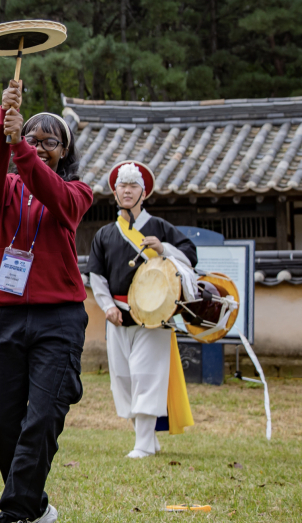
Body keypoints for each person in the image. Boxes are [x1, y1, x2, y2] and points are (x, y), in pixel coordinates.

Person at [0, 79, 94, 523]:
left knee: (42, 418)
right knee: (4, 422)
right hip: (3, 314)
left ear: (65, 151)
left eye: (50, 141)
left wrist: (20, 150)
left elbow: (52, 195)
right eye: (31, 137)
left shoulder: (77, 193)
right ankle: (36, 506)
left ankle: (15, 514)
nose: (39, 146)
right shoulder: (4, 189)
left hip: (58, 319)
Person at [86, 161, 196, 459]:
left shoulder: (160, 227)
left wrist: (163, 249)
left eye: (134, 186)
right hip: (119, 314)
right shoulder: (105, 235)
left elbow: (190, 257)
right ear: (115, 191)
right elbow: (96, 275)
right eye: (123, 185)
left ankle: (144, 443)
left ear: (143, 192)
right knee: (123, 379)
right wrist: (107, 307)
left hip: (154, 315)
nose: (127, 190)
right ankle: (145, 437)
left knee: (146, 375)